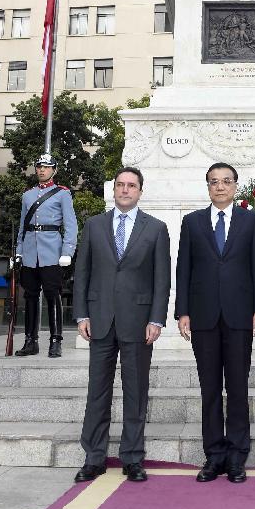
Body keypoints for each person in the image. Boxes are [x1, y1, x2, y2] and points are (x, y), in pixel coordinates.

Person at [73, 167, 170, 483]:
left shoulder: (156, 229)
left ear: (140, 191)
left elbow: (161, 280)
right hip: (99, 321)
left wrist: (156, 318)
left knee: (136, 392)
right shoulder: (94, 226)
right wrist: (82, 315)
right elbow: (82, 273)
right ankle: (94, 457)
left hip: (139, 323)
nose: (125, 190)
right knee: (97, 392)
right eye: (121, 185)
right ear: (113, 190)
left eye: (132, 185)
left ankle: (132, 458)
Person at [175, 163, 255, 484]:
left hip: (240, 316)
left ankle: (238, 456)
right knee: (210, 388)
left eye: (226, 181)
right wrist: (182, 311)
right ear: (208, 186)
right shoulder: (192, 222)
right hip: (203, 317)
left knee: (238, 388)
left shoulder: (251, 221)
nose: (220, 187)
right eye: (214, 182)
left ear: (235, 185)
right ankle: (214, 456)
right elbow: (183, 269)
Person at [14, 153, 77, 358]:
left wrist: (67, 251)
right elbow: (23, 227)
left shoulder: (62, 193)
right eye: (39, 166)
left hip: (52, 251)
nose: (42, 170)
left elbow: (71, 225)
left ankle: (56, 340)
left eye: (47, 167)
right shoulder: (27, 195)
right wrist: (19, 251)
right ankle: (30, 341)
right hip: (31, 252)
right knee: (30, 297)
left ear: (54, 170)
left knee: (53, 296)